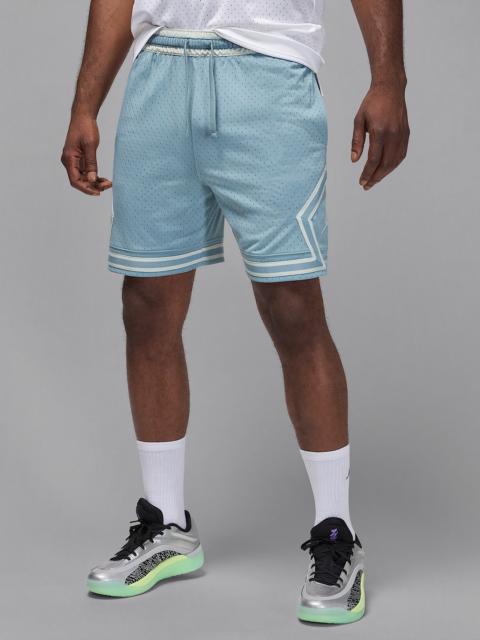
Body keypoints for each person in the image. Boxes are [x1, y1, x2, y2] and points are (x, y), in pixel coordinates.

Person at [62, 0, 409, 624]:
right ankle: (166, 524)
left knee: (292, 307)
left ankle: (337, 534)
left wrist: (389, 79)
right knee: (146, 303)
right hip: (158, 73)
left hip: (268, 71)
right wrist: (84, 105)